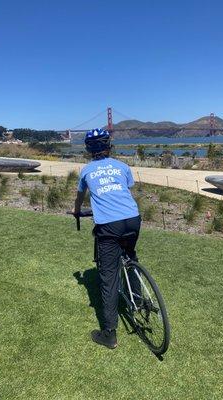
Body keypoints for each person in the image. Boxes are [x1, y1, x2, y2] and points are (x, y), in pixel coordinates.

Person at [73, 128, 141, 349]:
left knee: (109, 277)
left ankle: (109, 333)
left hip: (108, 225)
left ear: (88, 150)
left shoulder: (86, 171)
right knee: (130, 256)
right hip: (133, 219)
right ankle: (138, 298)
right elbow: (125, 189)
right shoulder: (122, 166)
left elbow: (80, 197)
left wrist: (76, 211)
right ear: (109, 146)